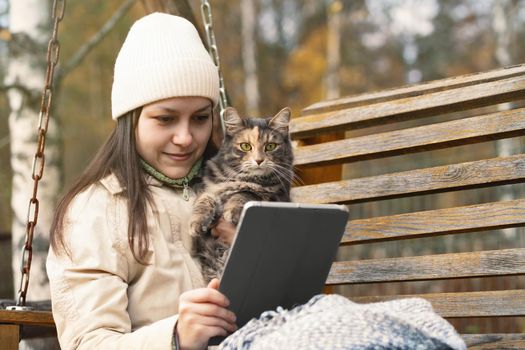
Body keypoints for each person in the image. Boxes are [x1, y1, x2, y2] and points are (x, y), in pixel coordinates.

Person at [46, 13, 237, 350]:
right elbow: (88, 343)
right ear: (130, 119)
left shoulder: (231, 194)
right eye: (165, 119)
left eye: (200, 118)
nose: (185, 137)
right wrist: (176, 337)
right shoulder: (95, 211)